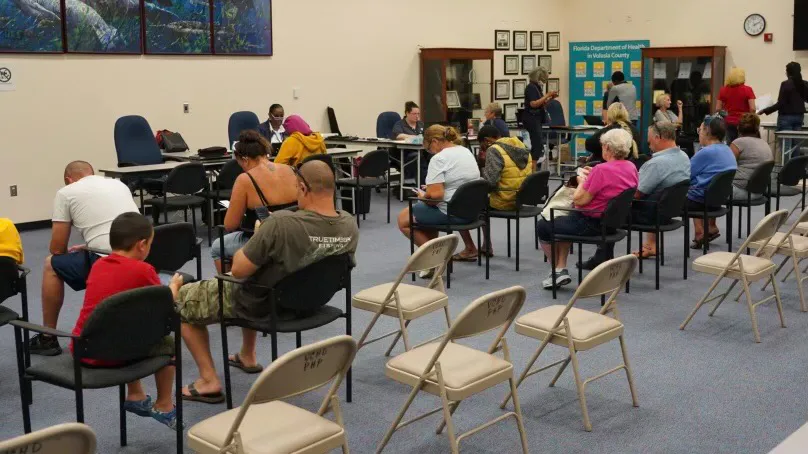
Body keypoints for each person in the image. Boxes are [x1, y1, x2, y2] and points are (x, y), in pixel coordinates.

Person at [174, 160, 359, 403]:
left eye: (296, 188)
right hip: (312, 301)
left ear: (303, 188)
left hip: (266, 303)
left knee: (182, 300)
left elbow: (239, 270)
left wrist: (262, 235)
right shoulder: (348, 223)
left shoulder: (280, 224)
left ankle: (208, 380)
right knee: (259, 276)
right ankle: (247, 355)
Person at [72, 212, 180, 429]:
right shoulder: (144, 270)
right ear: (142, 245)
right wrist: (174, 288)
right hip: (116, 354)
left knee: (124, 322)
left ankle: (136, 394)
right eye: (150, 243)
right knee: (167, 341)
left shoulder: (98, 266)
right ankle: (165, 405)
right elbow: (164, 306)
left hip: (83, 348)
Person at [30, 161, 139, 356]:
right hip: (143, 252)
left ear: (68, 180)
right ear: (92, 173)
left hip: (110, 260)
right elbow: (116, 225)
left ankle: (48, 338)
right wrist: (89, 246)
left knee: (50, 264)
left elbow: (57, 248)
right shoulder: (118, 184)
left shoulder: (67, 192)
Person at [536, 128, 638, 289]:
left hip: (591, 223)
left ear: (607, 148)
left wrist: (581, 180)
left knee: (543, 225)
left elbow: (579, 200)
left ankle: (556, 270)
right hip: (615, 222)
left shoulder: (601, 170)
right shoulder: (631, 167)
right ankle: (560, 269)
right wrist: (592, 177)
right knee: (563, 220)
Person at [211, 130, 298, 273]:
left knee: (217, 247)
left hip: (264, 241)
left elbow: (230, 225)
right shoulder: (290, 170)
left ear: (244, 159)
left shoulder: (245, 179)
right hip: (292, 237)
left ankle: (230, 290)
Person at [397, 125, 479, 273]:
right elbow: (458, 181)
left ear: (434, 141)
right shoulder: (465, 151)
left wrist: (424, 195)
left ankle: (436, 259)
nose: (430, 152)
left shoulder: (439, 158)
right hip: (472, 210)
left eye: (428, 148)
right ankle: (433, 258)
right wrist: (431, 187)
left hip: (451, 211)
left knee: (403, 219)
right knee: (424, 213)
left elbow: (436, 197)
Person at [456, 126, 531, 261]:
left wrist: (483, 167)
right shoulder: (521, 146)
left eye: (481, 145)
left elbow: (490, 182)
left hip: (505, 199)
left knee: (470, 201)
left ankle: (478, 246)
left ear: (486, 140)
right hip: (521, 197)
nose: (482, 148)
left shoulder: (494, 150)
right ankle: (485, 245)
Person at [632, 123, 691, 259]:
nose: (648, 144)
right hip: (668, 211)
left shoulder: (655, 164)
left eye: (649, 140)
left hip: (649, 214)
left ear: (658, 138)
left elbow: (636, 194)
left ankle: (601, 258)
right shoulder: (684, 156)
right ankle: (651, 244)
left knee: (608, 208)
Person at [687, 115, 737, 249]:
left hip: (701, 201)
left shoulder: (706, 152)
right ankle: (703, 230)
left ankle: (650, 244)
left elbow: (685, 175)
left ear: (708, 132)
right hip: (718, 200)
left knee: (662, 196)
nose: (699, 133)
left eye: (701, 130)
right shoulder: (728, 149)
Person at [759, 62, 808, 156]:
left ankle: (786, 169)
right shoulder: (804, 84)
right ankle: (796, 168)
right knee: (796, 146)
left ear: (788, 72)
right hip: (799, 117)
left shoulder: (786, 84)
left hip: (786, 118)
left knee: (786, 146)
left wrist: (765, 110)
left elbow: (781, 104)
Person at [730, 113, 773, 200]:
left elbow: (726, 168)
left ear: (738, 128)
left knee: (704, 190)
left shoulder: (737, 143)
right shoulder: (764, 143)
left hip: (740, 190)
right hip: (760, 191)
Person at [524, 67, 558, 169]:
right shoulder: (531, 87)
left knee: (538, 145)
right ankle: (532, 167)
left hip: (537, 118)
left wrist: (550, 98)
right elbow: (533, 104)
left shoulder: (537, 88)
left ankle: (533, 166)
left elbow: (541, 104)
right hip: (531, 118)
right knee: (537, 144)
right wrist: (547, 95)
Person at [717, 68, 756, 144]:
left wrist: (726, 115)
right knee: (742, 145)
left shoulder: (723, 90)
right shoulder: (747, 90)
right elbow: (753, 108)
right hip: (743, 123)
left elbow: (718, 108)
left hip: (728, 122)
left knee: (730, 144)